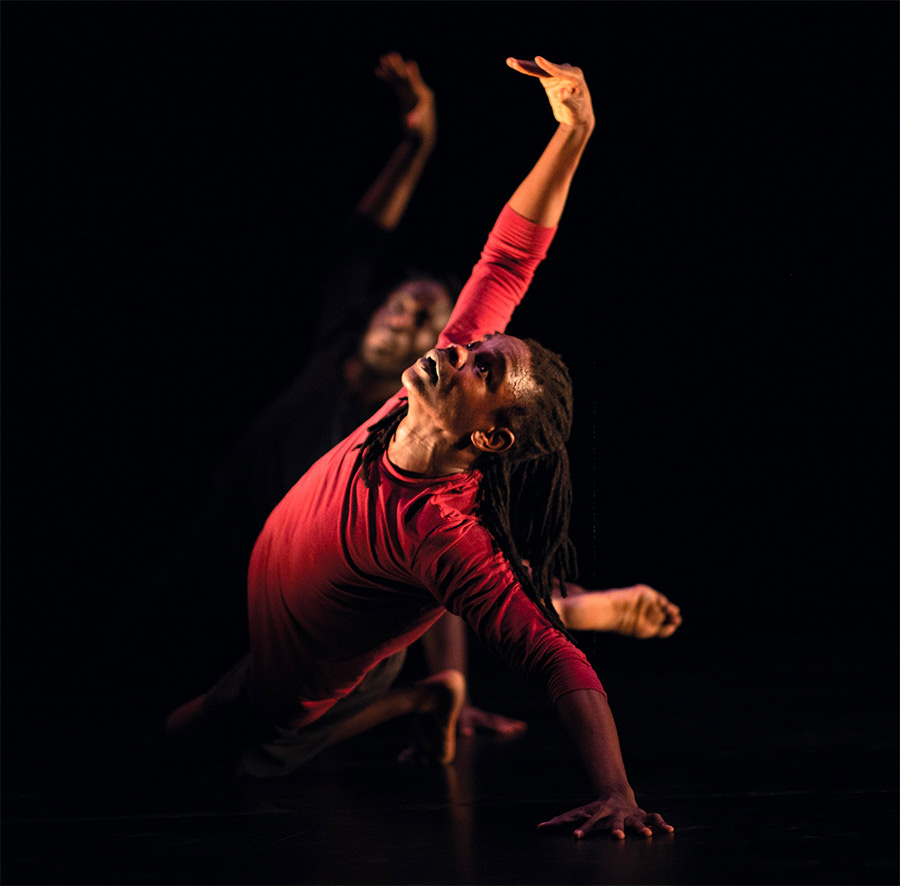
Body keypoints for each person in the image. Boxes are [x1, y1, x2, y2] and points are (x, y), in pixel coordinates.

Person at [161, 54, 673, 840]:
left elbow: (556, 661)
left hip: (296, 679)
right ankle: (433, 687)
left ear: (490, 434)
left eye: (483, 368)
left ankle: (424, 694)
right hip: (303, 623)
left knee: (198, 753)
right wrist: (574, 133)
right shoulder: (430, 382)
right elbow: (511, 259)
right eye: (475, 345)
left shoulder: (442, 532)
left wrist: (617, 792)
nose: (461, 348)